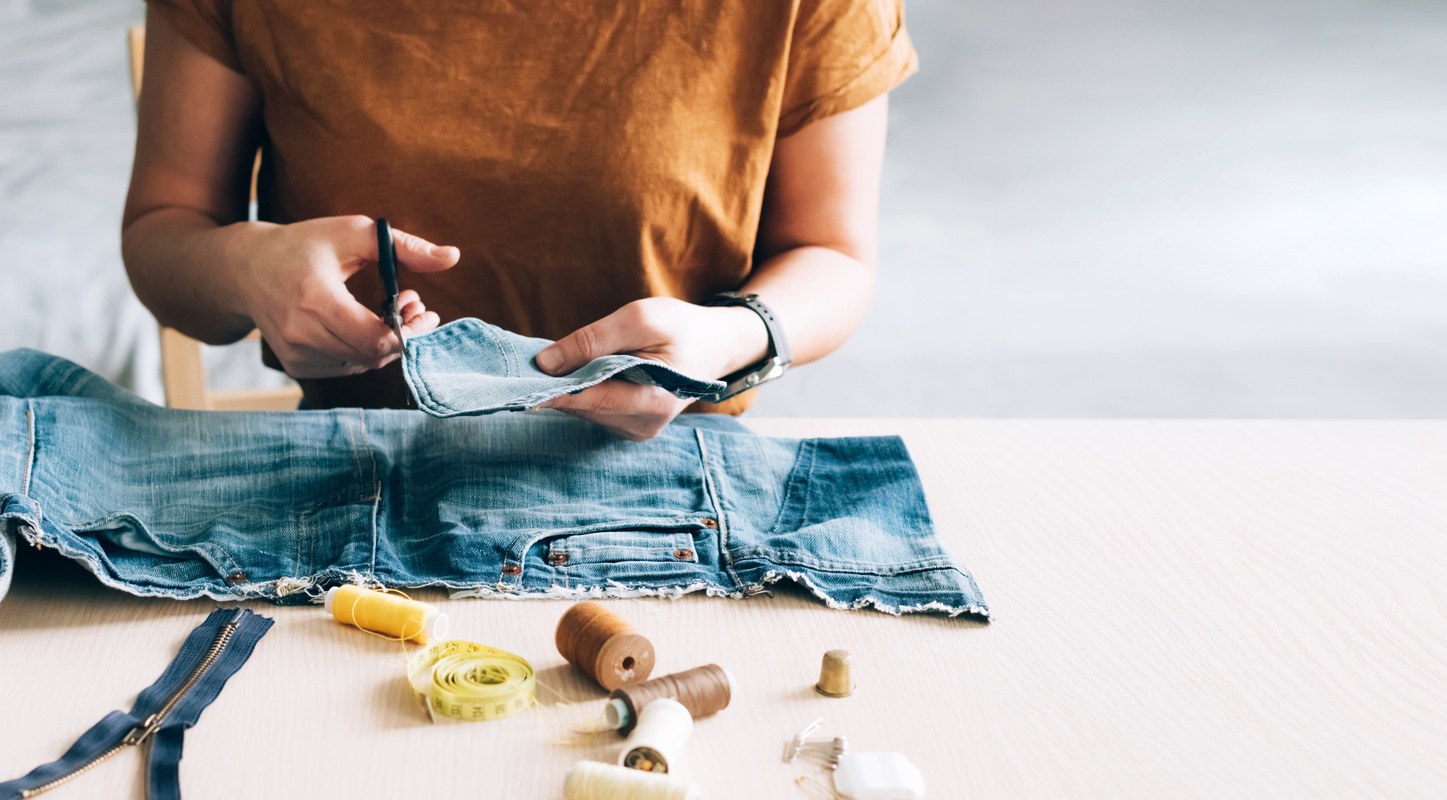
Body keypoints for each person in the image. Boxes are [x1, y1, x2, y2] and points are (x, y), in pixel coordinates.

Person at [121, 0, 916, 440]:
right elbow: (167, 228)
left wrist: (731, 337)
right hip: (355, 481)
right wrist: (245, 270)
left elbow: (831, 253)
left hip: (672, 480)